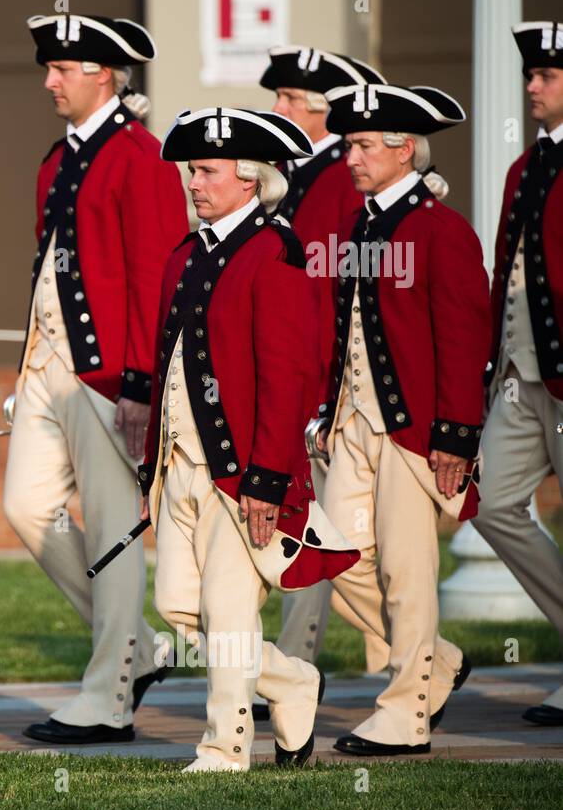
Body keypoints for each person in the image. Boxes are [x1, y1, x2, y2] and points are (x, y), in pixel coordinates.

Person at [143, 106, 359, 771]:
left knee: (228, 610)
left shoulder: (277, 252)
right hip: (179, 466)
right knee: (177, 605)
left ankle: (226, 744)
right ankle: (293, 681)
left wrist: (268, 478)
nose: (192, 183)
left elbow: (287, 377)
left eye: (205, 171)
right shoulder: (187, 253)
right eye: (191, 170)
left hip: (240, 474)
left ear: (249, 180)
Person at [5, 12, 187, 745]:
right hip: (48, 367)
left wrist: (141, 385)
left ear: (104, 74)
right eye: (48, 68)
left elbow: (154, 278)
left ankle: (110, 694)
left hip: (110, 373)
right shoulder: (57, 159)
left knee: (115, 534)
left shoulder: (141, 156)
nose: (49, 81)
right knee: (25, 507)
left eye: (63, 69)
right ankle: (137, 646)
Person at [313, 82, 489, 756]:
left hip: (415, 430)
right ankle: (436, 662)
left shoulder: (441, 229)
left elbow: (464, 335)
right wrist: (329, 410)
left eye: (361, 145)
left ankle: (406, 714)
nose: (350, 157)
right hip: (355, 425)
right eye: (349, 144)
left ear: (403, 148)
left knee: (407, 575)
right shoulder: (361, 224)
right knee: (333, 556)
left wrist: (456, 434)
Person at [254, 48, 391, 697]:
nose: (277, 108)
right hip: (295, 370)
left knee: (334, 532)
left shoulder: (343, 176)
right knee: (308, 522)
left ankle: (416, 653)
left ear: (322, 111)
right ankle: (298, 657)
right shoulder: (289, 171)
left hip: (331, 381)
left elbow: (342, 289)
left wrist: (326, 384)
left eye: (289, 99)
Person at [470, 20, 563, 727]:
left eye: (545, 77)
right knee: (494, 503)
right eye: (529, 76)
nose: (530, 86)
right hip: (518, 374)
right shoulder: (523, 169)